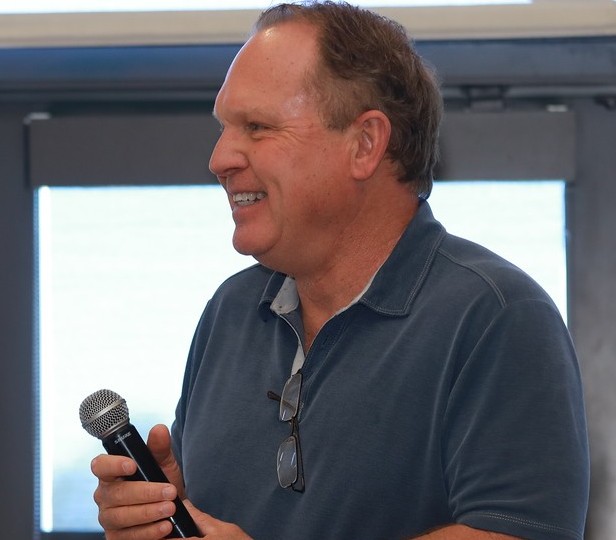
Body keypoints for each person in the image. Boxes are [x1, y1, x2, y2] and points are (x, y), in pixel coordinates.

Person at [90, 2, 590, 539]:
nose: (219, 159)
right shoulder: (229, 313)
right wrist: (170, 513)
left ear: (365, 144)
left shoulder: (497, 316)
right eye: (225, 128)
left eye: (257, 127)